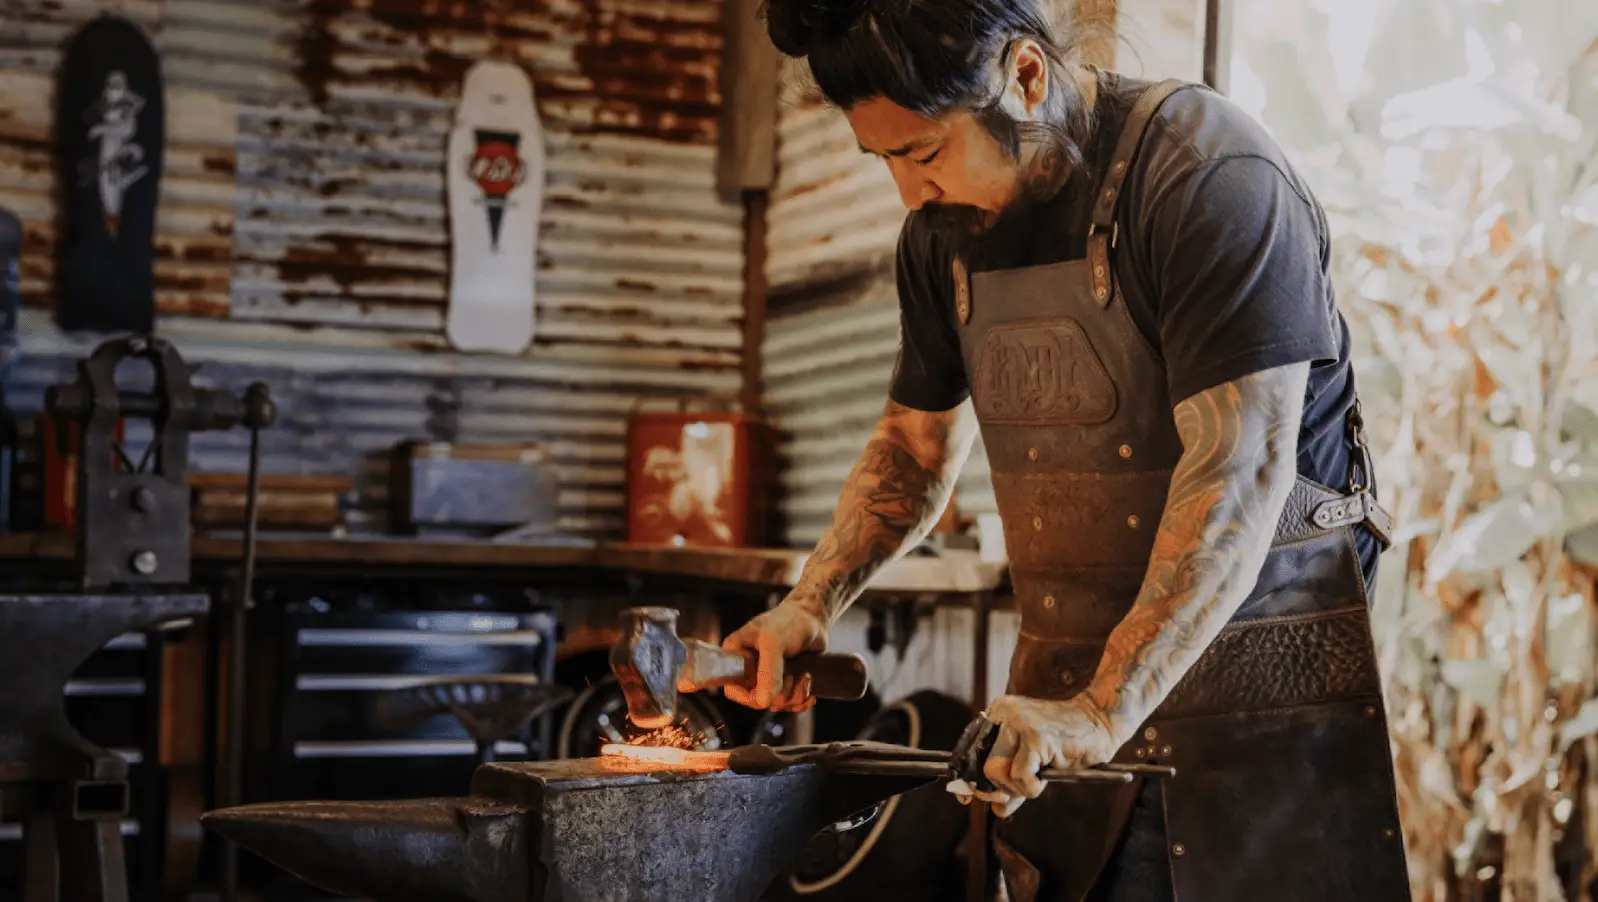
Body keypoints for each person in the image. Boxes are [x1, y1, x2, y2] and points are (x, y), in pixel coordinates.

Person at [689, 1, 1413, 899]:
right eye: (883, 161)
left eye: (922, 153)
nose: (908, 195)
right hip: (1068, 693)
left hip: (1256, 689)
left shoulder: (1206, 176)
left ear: (1024, 77)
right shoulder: (943, 238)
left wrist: (1102, 710)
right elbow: (915, 450)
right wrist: (810, 603)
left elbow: (1242, 472)